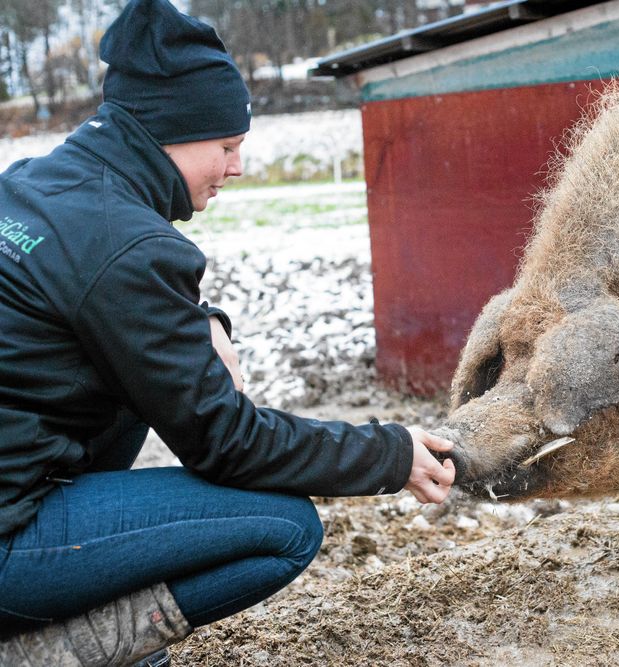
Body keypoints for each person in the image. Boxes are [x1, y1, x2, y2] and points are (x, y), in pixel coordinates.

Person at [0, 1, 456, 665]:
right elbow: (227, 444)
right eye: (227, 146)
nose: (236, 167)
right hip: (9, 539)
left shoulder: (33, 184)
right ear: (172, 132)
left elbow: (101, 291)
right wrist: (389, 454)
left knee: (131, 380)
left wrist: (200, 318)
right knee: (283, 527)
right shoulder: (127, 247)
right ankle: (53, 652)